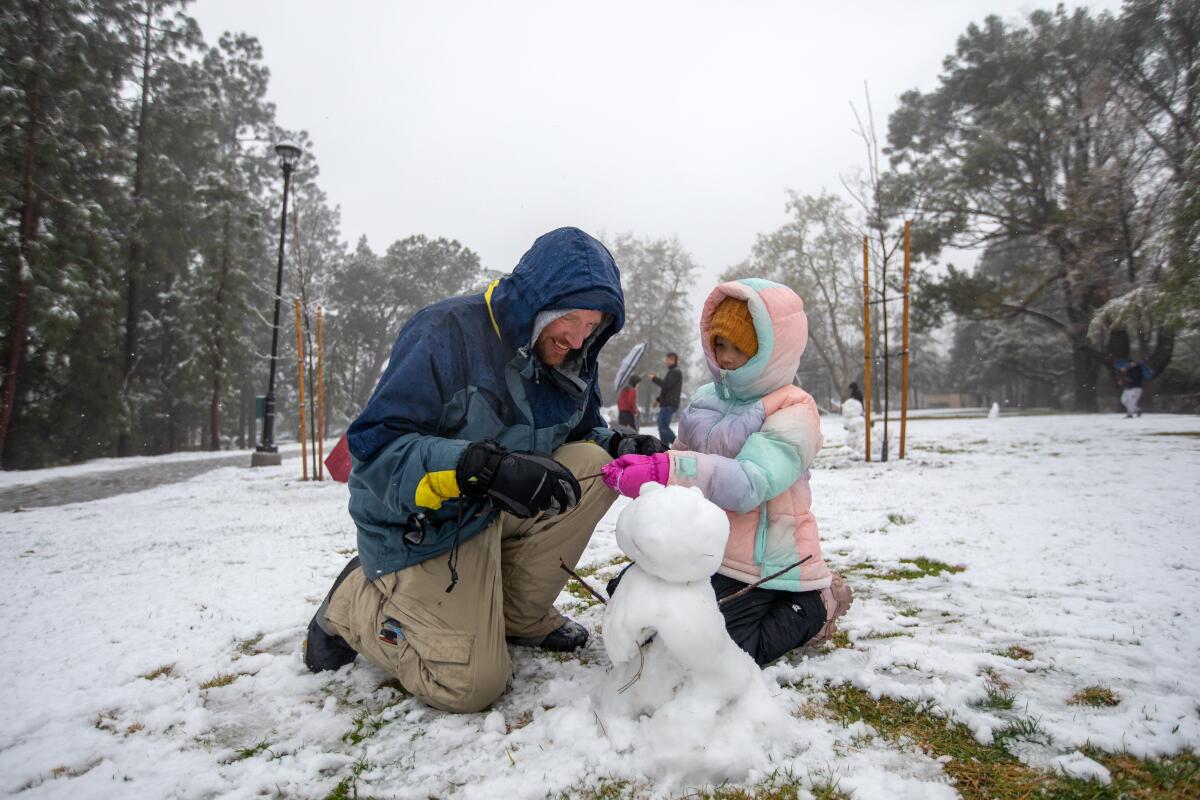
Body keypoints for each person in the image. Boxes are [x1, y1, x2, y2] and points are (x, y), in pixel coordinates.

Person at [303, 228, 665, 713]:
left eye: (593, 323)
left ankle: (517, 613)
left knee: (598, 466)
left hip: (490, 510)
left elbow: (581, 437)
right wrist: (477, 467)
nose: (578, 336)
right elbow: (376, 454)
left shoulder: (572, 358)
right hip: (427, 525)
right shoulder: (446, 332)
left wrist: (619, 442)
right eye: (570, 318)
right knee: (471, 685)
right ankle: (353, 604)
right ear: (537, 302)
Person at [604, 279, 852, 666]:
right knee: (629, 602)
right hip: (704, 548)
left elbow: (751, 482)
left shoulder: (793, 409)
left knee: (725, 648)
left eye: (742, 348)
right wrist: (647, 468)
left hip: (764, 560)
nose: (728, 357)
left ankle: (817, 605)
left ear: (772, 350)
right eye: (721, 344)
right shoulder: (705, 399)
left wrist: (671, 469)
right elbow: (681, 459)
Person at [647, 352, 683, 446]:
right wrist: (658, 400)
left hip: (670, 404)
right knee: (663, 426)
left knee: (662, 426)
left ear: (672, 359)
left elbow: (666, 385)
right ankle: (664, 448)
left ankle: (678, 445)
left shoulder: (675, 371)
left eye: (666, 359)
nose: (665, 361)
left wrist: (654, 378)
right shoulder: (672, 371)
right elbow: (667, 389)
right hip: (667, 403)